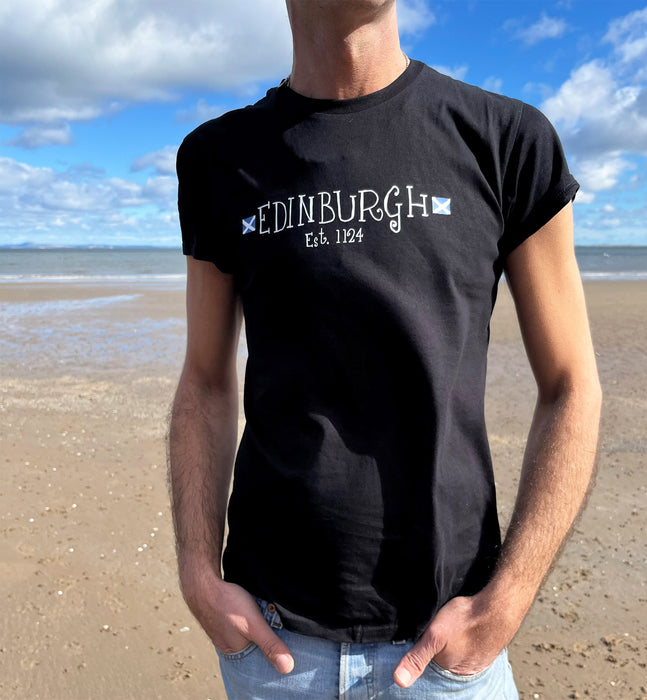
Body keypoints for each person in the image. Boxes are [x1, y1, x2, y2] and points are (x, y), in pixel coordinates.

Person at [167, 1, 602, 698]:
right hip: (274, 648)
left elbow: (571, 383)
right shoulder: (219, 159)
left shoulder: (506, 138)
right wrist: (197, 571)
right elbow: (206, 381)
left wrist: (508, 599)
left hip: (447, 648)